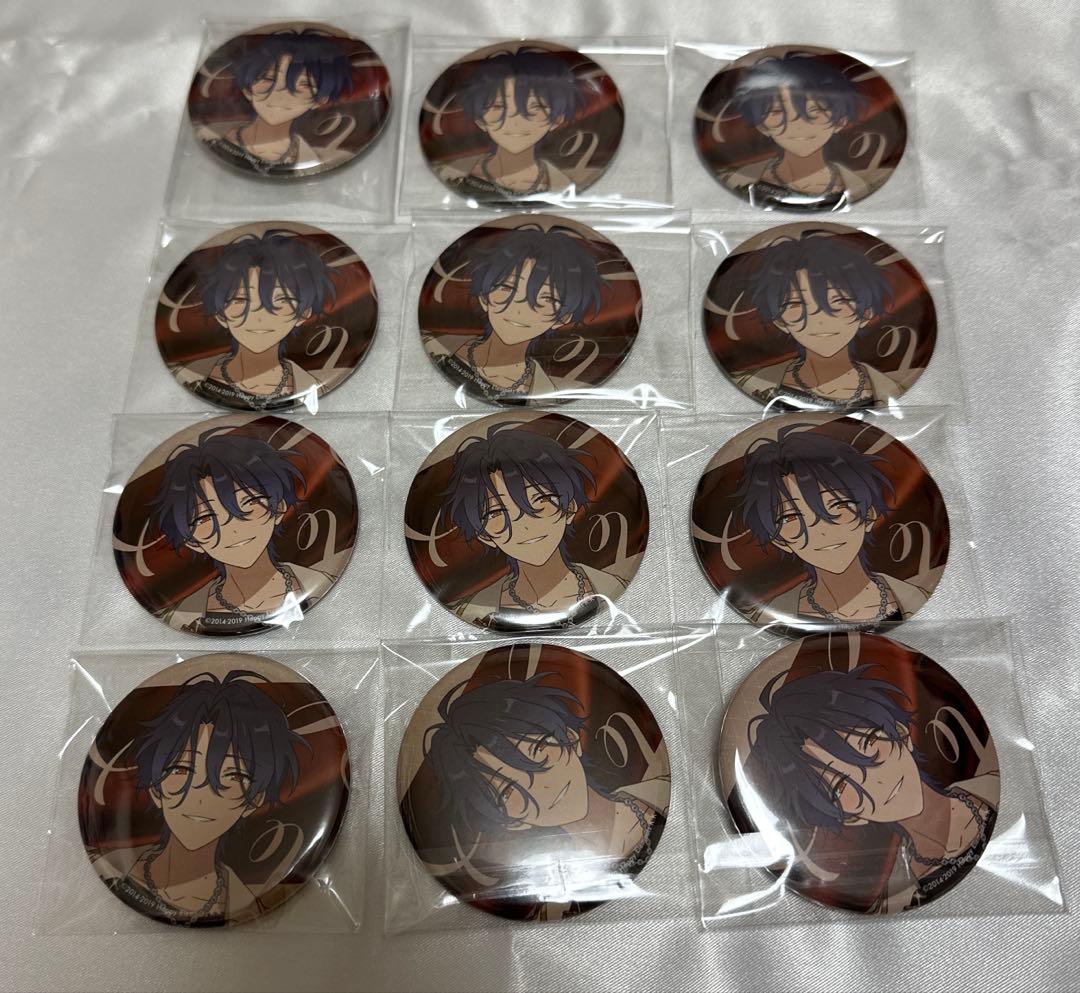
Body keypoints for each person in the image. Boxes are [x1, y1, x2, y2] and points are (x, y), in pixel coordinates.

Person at [744, 664, 997, 911]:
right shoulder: (893, 897)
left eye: (867, 744)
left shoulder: (994, 785)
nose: (876, 782)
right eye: (841, 786)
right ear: (849, 817)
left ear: (901, 732)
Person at [420, 672, 669, 914]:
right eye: (508, 791)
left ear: (570, 738)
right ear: (512, 822)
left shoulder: (659, 799)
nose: (542, 787)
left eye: (537, 750)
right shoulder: (553, 902)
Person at [90, 669, 308, 925]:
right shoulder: (108, 864)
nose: (202, 797)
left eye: (233, 776)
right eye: (181, 769)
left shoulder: (247, 902)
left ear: (255, 799)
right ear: (155, 789)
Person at [735, 424, 929, 627]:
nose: (820, 531)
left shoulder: (912, 596)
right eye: (790, 517)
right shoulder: (773, 614)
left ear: (869, 515)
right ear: (779, 540)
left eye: (837, 505)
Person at [439, 422, 625, 628]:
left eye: (540, 499)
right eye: (496, 512)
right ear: (483, 535)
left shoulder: (613, 585)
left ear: (570, 508)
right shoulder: (473, 608)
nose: (524, 525)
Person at [151, 427, 329, 633]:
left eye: (248, 503)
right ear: (191, 540)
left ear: (279, 508)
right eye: (205, 518)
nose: (233, 529)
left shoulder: (320, 583)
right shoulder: (183, 614)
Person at [735, 230, 900, 407]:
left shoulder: (890, 391)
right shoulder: (750, 383)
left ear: (866, 313)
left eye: (839, 301)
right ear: (780, 321)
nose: (820, 320)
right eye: (797, 303)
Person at [440, 226, 604, 402]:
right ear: (484, 296)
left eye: (547, 298)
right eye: (507, 287)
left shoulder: (545, 394)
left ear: (563, 318)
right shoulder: (438, 345)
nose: (520, 309)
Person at [189, 230, 335, 409]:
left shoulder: (313, 390)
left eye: (281, 300)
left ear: (303, 313)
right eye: (241, 299)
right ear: (220, 314)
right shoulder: (189, 375)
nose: (259, 317)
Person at [720, 52, 869, 208]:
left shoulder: (857, 185)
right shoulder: (737, 180)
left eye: (815, 110)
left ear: (840, 121)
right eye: (778, 111)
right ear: (762, 126)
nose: (798, 124)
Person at [206, 29, 353, 175]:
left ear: (320, 100)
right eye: (269, 79)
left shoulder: (314, 161)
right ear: (248, 89)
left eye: (304, 85)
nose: (280, 95)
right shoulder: (209, 136)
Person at [438, 49, 583, 197]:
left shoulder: (563, 188)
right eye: (498, 106)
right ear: (480, 119)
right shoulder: (452, 174)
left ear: (557, 119)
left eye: (535, 107)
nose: (515, 122)